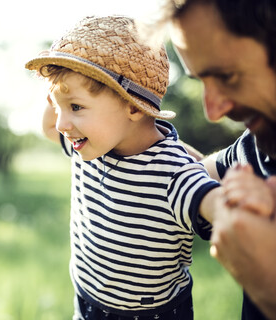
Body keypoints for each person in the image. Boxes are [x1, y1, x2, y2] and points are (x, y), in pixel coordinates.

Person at [25, 15, 224, 320]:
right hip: (87, 298)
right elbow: (51, 129)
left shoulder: (174, 172)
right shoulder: (87, 147)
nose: (62, 123)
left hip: (152, 314)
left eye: (76, 107)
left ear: (132, 105)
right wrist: (58, 87)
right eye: (57, 107)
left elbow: (216, 205)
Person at [154, 0, 276, 319]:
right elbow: (187, 173)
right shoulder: (257, 150)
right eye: (201, 81)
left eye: (227, 76)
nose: (213, 111)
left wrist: (268, 286)